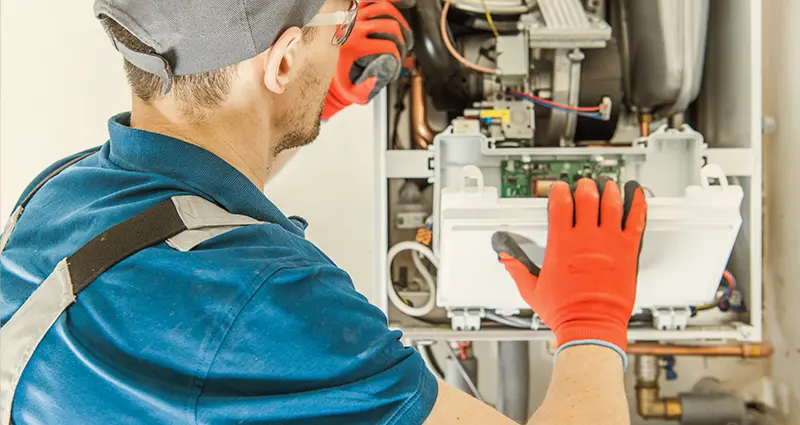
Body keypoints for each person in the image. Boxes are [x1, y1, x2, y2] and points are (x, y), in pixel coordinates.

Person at [0, 0, 647, 424]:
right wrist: (591, 323)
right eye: (339, 28)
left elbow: (191, 213)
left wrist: (311, 104)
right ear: (281, 61)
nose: (345, 41)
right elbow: (236, 307)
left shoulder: (63, 192)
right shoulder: (272, 303)